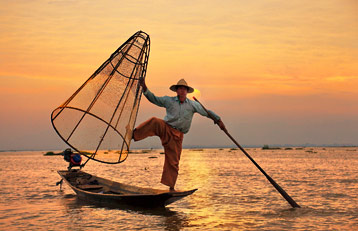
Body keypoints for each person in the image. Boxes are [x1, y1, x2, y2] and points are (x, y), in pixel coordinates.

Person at [132, 78, 225, 191]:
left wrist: (218, 120)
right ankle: (133, 135)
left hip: (177, 136)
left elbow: (206, 112)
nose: (182, 91)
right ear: (177, 91)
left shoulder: (192, 105)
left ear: (186, 91)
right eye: (180, 88)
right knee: (154, 121)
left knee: (174, 161)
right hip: (165, 128)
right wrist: (144, 87)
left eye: (184, 89)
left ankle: (171, 187)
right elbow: (154, 99)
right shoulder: (169, 100)